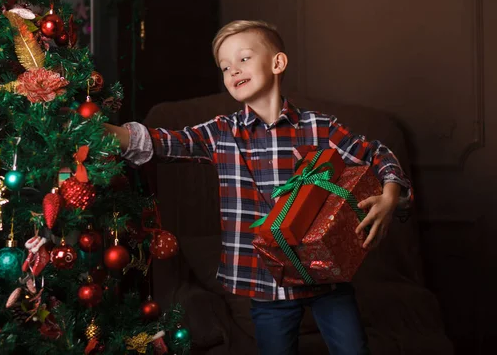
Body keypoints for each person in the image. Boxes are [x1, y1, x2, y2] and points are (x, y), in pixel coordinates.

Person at [105, 20, 412, 355]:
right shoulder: (222, 132)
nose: (233, 70)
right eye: (225, 67)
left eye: (243, 59)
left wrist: (391, 194)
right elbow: (163, 142)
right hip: (266, 282)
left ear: (277, 63)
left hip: (326, 274)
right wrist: (100, 129)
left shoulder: (319, 127)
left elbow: (376, 153)